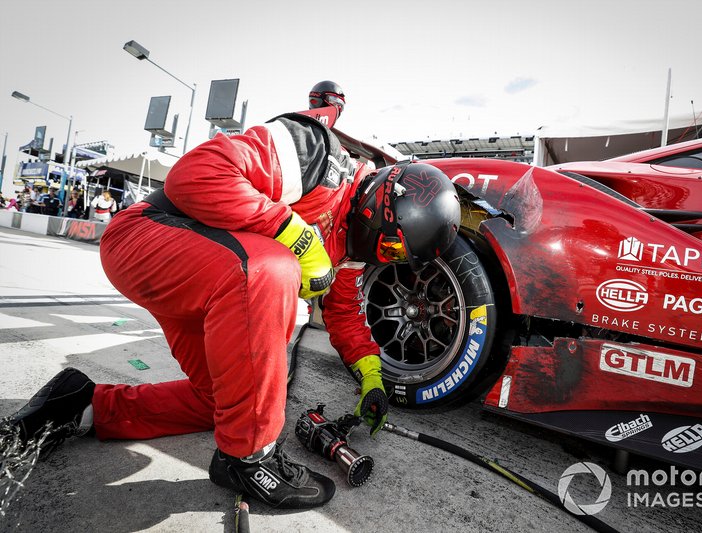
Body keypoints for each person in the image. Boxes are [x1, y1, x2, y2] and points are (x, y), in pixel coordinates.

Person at [6, 108, 461, 510]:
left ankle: (80, 405)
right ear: (384, 207)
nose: (385, 258)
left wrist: (372, 379)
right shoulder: (316, 153)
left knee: (226, 403)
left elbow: (343, 315)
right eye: (392, 247)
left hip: (208, 278)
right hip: (148, 237)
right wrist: (297, 236)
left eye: (396, 257)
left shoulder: (354, 242)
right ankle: (249, 459)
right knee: (272, 268)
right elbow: (194, 177)